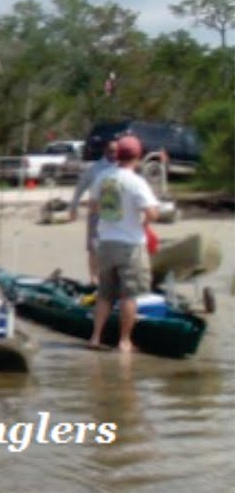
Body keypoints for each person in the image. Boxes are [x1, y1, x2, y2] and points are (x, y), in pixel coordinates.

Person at [87, 135, 160, 354]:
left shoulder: (103, 177)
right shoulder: (136, 182)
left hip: (106, 242)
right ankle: (124, 341)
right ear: (137, 157)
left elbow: (93, 206)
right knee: (129, 295)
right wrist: (144, 222)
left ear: (117, 155)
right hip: (130, 244)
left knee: (105, 293)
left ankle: (95, 337)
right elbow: (153, 212)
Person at [71, 139, 118, 284]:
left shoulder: (122, 168)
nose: (114, 153)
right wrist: (74, 205)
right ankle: (93, 278)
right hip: (97, 213)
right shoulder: (95, 169)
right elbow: (81, 186)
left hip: (116, 214)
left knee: (114, 246)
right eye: (111, 150)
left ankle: (112, 277)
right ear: (105, 151)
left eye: (117, 150)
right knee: (93, 247)